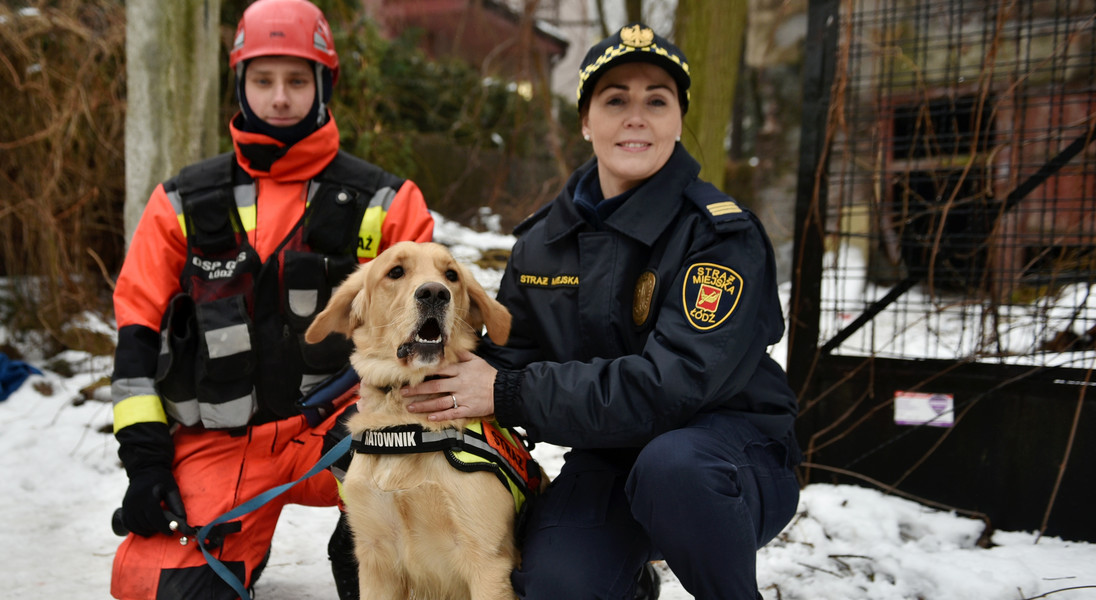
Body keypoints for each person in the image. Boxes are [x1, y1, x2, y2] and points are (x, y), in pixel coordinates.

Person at [403, 23, 801, 600]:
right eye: (615, 100)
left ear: (677, 122)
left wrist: (511, 391)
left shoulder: (719, 236)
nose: (635, 116)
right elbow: (501, 361)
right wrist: (413, 376)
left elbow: (674, 387)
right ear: (587, 121)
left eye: (656, 101)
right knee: (554, 585)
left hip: (731, 459)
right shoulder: (542, 243)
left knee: (674, 469)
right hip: (611, 458)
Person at [108, 0, 434, 598]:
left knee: (402, 558)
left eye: (295, 80)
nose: (279, 98)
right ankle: (231, 552)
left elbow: (427, 344)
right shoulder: (180, 201)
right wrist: (147, 463)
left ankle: (370, 543)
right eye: (263, 80)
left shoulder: (389, 202)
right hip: (220, 441)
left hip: (347, 428)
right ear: (240, 83)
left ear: (322, 85)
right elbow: (136, 342)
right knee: (150, 587)